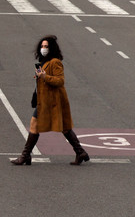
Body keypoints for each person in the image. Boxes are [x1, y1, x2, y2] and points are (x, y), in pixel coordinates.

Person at [11, 35, 90, 166]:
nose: (43, 48)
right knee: (45, 126)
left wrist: (45, 76)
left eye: (46, 46)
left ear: (51, 48)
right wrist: (39, 76)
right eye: (42, 46)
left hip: (53, 101)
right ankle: (80, 152)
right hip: (45, 100)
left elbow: (60, 80)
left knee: (61, 127)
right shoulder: (44, 61)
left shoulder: (55, 62)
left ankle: (25, 156)